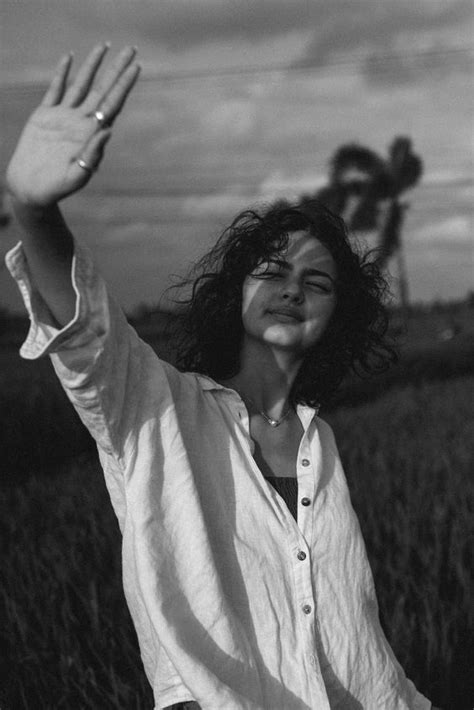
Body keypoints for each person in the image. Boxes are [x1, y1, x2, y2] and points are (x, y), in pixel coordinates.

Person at [5, 45, 439, 710]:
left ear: (336, 316)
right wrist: (33, 210)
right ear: (234, 292)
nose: (292, 289)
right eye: (271, 270)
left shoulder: (317, 445)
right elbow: (89, 334)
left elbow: (356, 644)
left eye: (316, 281)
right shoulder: (158, 409)